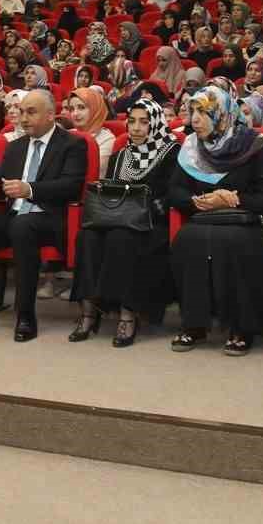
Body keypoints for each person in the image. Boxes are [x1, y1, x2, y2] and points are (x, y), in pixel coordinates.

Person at [0, 89, 87, 343]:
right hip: (15, 214)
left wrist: (31, 189)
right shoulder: (15, 146)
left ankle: (25, 315)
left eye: (31, 112)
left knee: (23, 226)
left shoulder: (72, 144)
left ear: (50, 115)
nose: (23, 118)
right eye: (22, 112)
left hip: (51, 217)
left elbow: (71, 186)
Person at [167, 86, 263, 356]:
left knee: (234, 243)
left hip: (246, 221)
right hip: (203, 220)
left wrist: (233, 198)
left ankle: (242, 326)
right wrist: (194, 201)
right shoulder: (192, 147)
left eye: (204, 112)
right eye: (193, 111)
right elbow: (174, 190)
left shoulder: (254, 144)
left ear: (222, 114)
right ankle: (195, 323)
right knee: (188, 240)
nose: (194, 119)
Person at [70, 97, 177, 348]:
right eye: (131, 122)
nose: (136, 128)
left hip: (151, 223)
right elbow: (111, 191)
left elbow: (171, 196)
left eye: (144, 122)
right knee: (86, 236)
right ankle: (89, 310)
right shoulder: (121, 155)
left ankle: (127, 313)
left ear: (156, 124)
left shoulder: (171, 152)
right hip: (117, 218)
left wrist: (146, 207)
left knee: (122, 238)